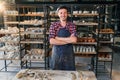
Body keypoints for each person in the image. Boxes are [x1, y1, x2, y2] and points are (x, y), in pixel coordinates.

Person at [49, 5, 77, 71]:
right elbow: (51, 41)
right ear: (58, 14)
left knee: (69, 74)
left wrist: (58, 38)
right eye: (61, 13)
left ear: (67, 14)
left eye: (65, 13)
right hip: (56, 54)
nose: (63, 15)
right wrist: (68, 40)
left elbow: (74, 40)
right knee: (56, 74)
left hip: (68, 55)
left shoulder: (71, 25)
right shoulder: (54, 25)